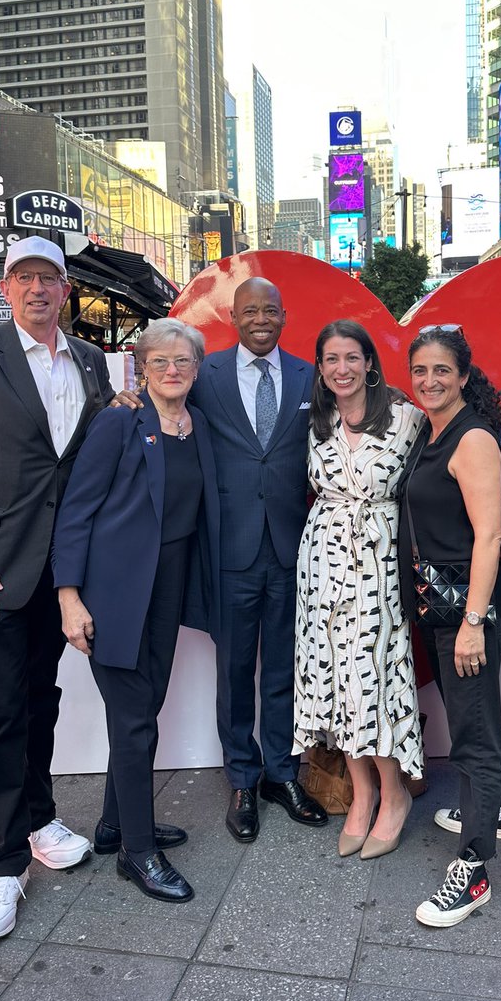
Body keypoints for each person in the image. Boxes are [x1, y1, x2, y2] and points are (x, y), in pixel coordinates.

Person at [0, 236, 116, 941]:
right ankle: (2, 865)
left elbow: (86, 457)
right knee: (0, 714)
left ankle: (37, 819)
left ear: (66, 290)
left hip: (58, 573)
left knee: (40, 701)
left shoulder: (90, 360)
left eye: (50, 278)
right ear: (5, 288)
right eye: (24, 277)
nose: (37, 288)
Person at [53, 319, 220, 903]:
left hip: (168, 590)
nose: (172, 370)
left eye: (183, 360)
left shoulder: (197, 425)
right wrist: (69, 597)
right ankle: (138, 852)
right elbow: (76, 510)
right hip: (114, 593)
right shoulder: (119, 421)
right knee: (133, 719)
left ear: (197, 369)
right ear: (141, 367)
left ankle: (114, 824)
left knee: (144, 708)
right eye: (160, 361)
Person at [190, 277, 328, 841]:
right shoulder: (206, 375)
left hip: (291, 548)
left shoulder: (308, 374)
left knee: (283, 669)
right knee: (234, 670)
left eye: (270, 310)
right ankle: (242, 779)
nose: (261, 320)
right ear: (234, 317)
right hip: (231, 550)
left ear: (284, 316)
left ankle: (281, 773)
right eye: (250, 311)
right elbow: (166, 411)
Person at [294, 320, 424, 861]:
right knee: (334, 678)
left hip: (379, 563)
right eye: (331, 359)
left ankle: (394, 796)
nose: (342, 368)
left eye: (352, 357)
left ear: (369, 361)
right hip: (321, 566)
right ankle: (361, 795)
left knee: (375, 679)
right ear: (321, 368)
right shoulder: (317, 419)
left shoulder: (406, 418)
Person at [397, 327, 501, 927]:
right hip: (439, 605)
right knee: (475, 715)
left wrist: (473, 624)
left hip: (467, 608)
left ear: (464, 375)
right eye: (420, 370)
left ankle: (474, 867)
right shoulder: (431, 430)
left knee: (472, 737)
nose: (429, 380)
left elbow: (489, 536)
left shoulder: (473, 440)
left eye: (442, 370)